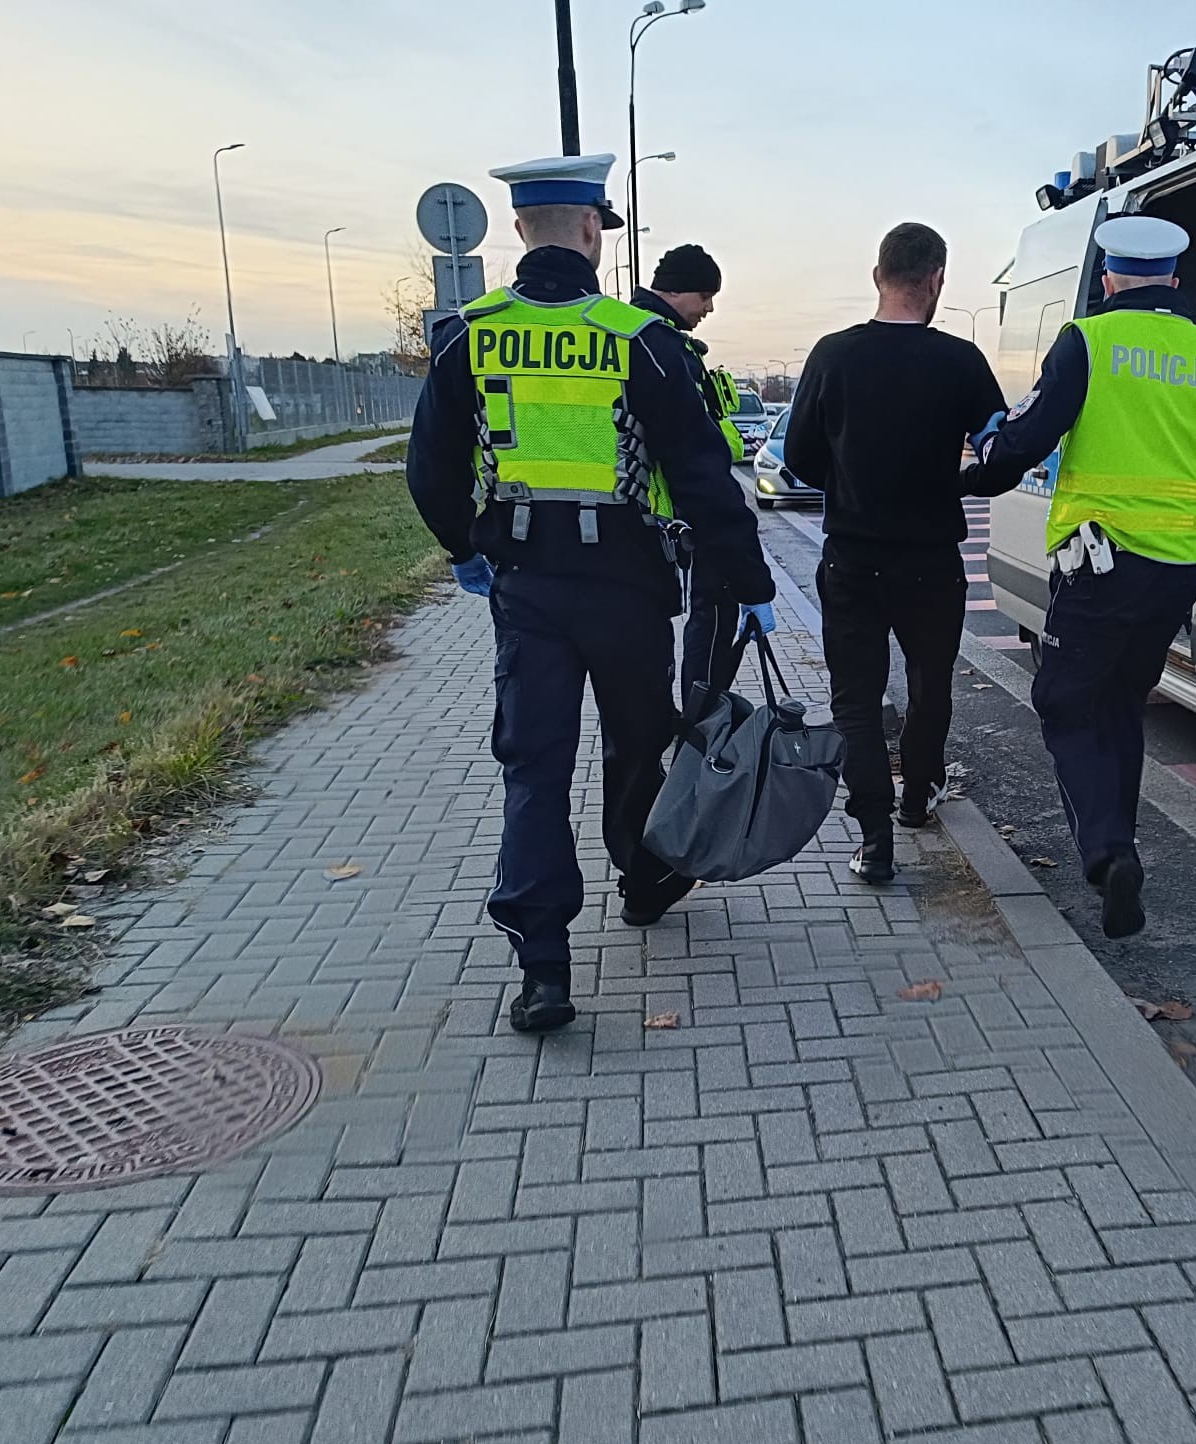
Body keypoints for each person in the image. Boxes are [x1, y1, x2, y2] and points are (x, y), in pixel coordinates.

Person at [406, 154, 776, 1034]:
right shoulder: (637, 338)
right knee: (636, 746)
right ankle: (642, 881)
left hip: (526, 587)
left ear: (517, 228)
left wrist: (465, 549)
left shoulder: (468, 333)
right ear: (588, 229)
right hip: (627, 587)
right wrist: (751, 582)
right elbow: (701, 475)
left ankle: (543, 969)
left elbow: (430, 469)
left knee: (534, 770)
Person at [962, 214, 1196, 938]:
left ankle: (1109, 855)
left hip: (1098, 567)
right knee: (1121, 706)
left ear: (1107, 280)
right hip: (1177, 572)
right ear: (1174, 280)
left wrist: (976, 473)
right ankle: (1120, 846)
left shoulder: (1089, 340)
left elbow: (1026, 441)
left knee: (1067, 702)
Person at [787, 223, 1006, 883]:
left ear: (877, 275)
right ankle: (918, 796)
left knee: (855, 699)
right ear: (937, 279)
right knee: (929, 684)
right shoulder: (961, 361)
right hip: (932, 561)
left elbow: (799, 455)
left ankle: (874, 838)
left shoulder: (833, 355)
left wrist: (849, 486)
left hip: (852, 558)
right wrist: (961, 481)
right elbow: (1002, 455)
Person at [629, 244, 760, 715]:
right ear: (675, 290)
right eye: (705, 296)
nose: (709, 309)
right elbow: (690, 453)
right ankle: (700, 720)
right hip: (677, 512)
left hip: (644, 513)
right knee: (713, 609)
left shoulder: (642, 335)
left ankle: (679, 720)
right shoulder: (660, 345)